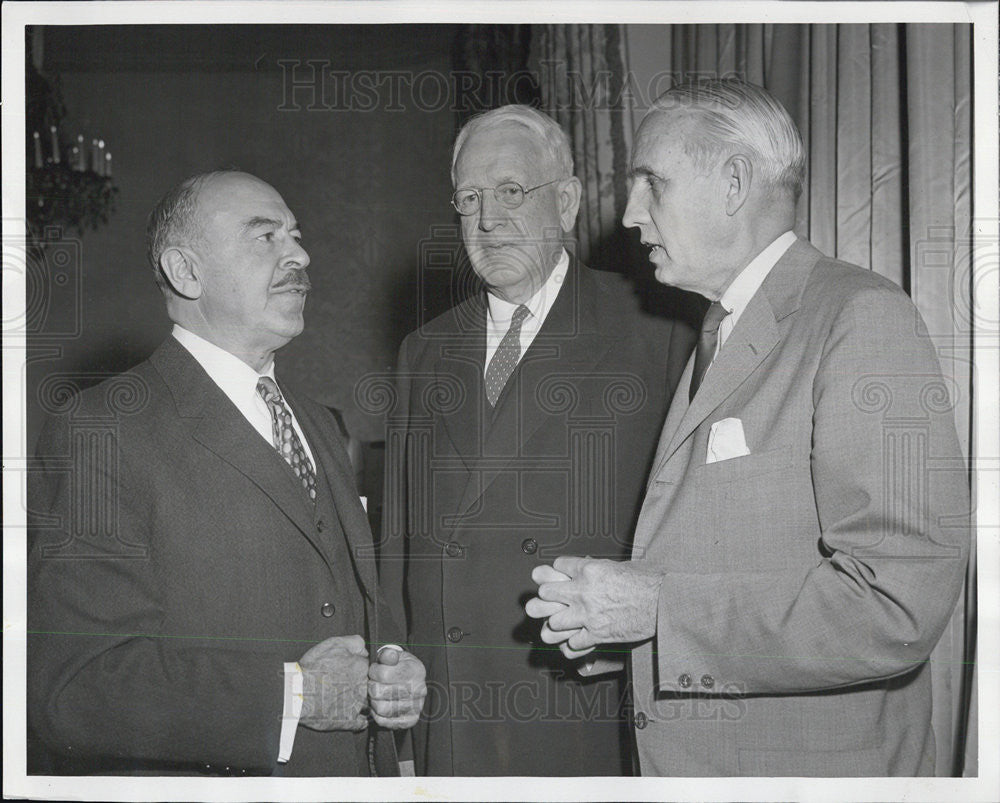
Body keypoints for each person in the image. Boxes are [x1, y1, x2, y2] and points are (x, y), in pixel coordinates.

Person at [527, 80, 970, 776]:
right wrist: (632, 636)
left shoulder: (861, 316)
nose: (630, 213)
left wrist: (659, 611)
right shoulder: (719, 330)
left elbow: (897, 601)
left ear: (733, 183)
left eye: (652, 183)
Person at [27, 170, 426, 776]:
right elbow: (76, 688)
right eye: (265, 237)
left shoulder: (317, 423)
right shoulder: (101, 429)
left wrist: (391, 673)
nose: (300, 254)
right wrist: (294, 697)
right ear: (186, 271)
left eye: (295, 235)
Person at [378, 105, 694, 775]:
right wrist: (392, 663)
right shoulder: (423, 349)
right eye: (469, 199)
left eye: (511, 192)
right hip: (453, 715)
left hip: (582, 710)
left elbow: (695, 535)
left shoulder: (658, 330)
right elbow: (398, 546)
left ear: (569, 200)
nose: (487, 219)